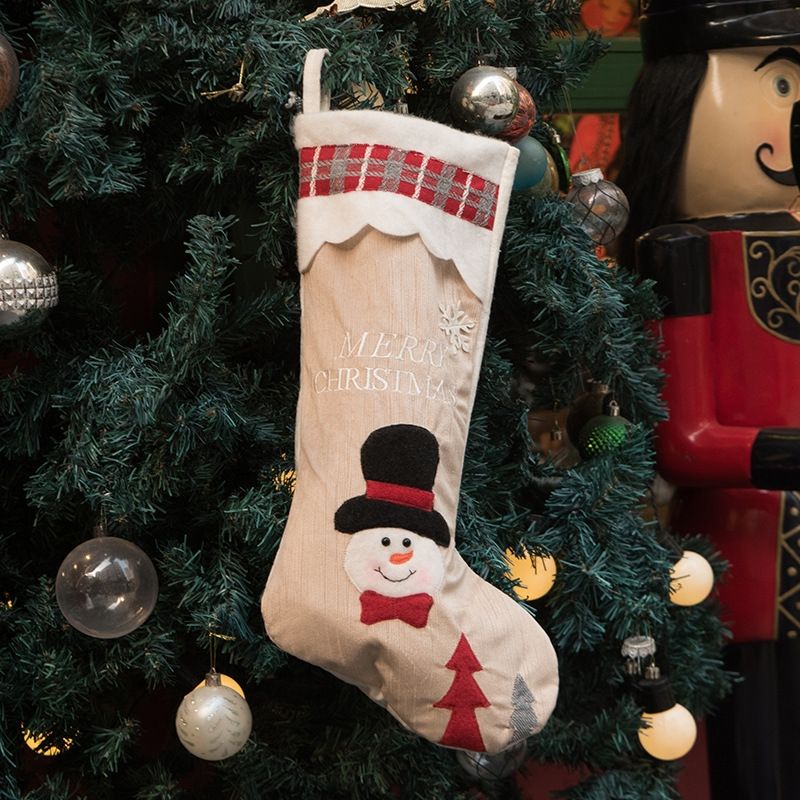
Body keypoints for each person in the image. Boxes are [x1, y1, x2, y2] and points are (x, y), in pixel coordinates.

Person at [616, 2, 800, 799]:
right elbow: (682, 440)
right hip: (745, 562)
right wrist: (781, 451)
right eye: (782, 85)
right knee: (761, 756)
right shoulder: (681, 254)